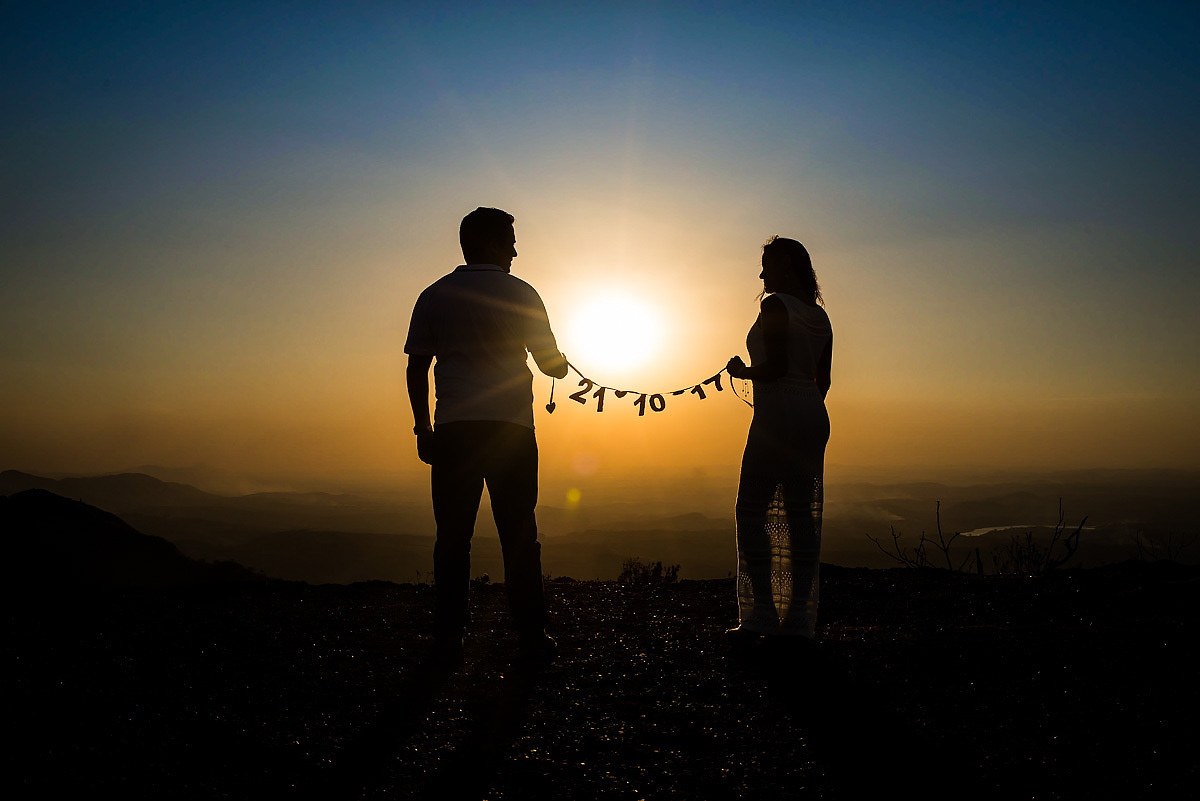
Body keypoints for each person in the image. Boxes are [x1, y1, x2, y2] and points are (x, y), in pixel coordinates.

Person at [404, 206, 568, 665]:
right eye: (510, 241)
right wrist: (562, 366)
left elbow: (418, 367)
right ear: (493, 243)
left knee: (452, 537)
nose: (516, 250)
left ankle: (449, 637)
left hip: (454, 430)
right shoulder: (522, 294)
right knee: (519, 534)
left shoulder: (434, 295)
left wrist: (422, 427)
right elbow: (550, 361)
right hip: (511, 431)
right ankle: (532, 637)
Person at [725, 236, 832, 640]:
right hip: (812, 416)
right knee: (800, 517)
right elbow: (823, 380)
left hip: (777, 419)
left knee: (750, 512)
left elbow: (776, 367)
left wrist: (742, 372)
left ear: (786, 265)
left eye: (767, 264)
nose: (761, 273)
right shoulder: (820, 317)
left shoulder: (774, 306)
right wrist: (804, 408)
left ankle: (763, 614)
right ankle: (800, 619)